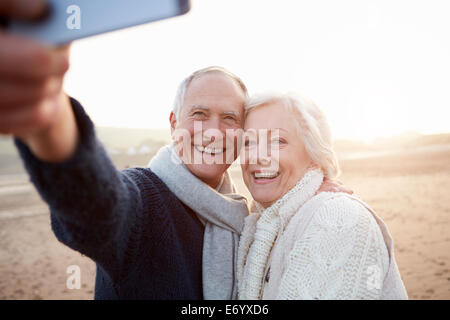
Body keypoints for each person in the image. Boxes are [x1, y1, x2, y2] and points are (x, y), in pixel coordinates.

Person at [0, 0, 350, 299]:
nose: (213, 132)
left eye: (229, 118)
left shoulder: (242, 216)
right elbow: (93, 203)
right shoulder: (141, 202)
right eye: (199, 114)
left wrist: (309, 190)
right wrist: (49, 113)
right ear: (173, 124)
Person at [237, 93, 408, 299]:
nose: (257, 156)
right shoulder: (263, 224)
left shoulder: (336, 217)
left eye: (277, 141)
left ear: (314, 155)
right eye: (248, 143)